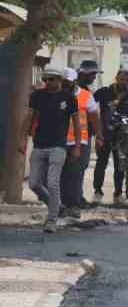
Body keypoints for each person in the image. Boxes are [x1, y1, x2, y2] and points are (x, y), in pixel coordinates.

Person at [20, 68, 83, 232]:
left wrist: (77, 146)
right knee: (33, 183)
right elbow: (29, 117)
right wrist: (22, 140)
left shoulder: (69, 98)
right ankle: (57, 206)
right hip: (39, 145)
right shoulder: (37, 96)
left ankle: (52, 220)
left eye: (51, 79)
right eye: (45, 79)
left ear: (59, 80)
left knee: (52, 183)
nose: (47, 82)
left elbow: (76, 123)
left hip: (58, 146)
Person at [93, 69, 128, 204]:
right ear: (116, 78)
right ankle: (97, 192)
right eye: (121, 79)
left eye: (126, 80)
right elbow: (90, 106)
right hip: (104, 134)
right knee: (101, 163)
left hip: (121, 136)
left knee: (119, 165)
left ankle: (118, 194)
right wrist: (96, 128)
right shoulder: (104, 92)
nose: (123, 82)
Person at [60, 60, 102, 215]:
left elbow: (95, 117)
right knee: (62, 175)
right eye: (91, 74)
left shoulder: (85, 94)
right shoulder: (57, 93)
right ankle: (64, 204)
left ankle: (73, 204)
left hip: (80, 140)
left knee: (76, 174)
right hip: (59, 141)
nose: (93, 77)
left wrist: (98, 135)